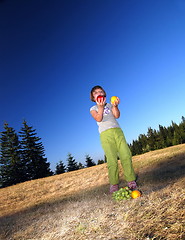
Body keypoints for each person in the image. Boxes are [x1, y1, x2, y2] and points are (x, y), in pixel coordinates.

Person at [90, 85, 137, 193]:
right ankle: (114, 183)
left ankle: (131, 180)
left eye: (101, 91)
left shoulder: (110, 104)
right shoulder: (93, 108)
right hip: (105, 134)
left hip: (117, 131)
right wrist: (100, 108)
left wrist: (115, 106)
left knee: (125, 154)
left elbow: (117, 115)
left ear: (104, 94)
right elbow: (98, 118)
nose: (99, 93)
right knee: (111, 159)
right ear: (93, 97)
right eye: (96, 92)